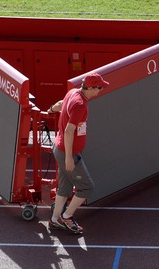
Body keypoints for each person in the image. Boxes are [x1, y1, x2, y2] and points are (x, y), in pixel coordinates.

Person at [47, 72, 109, 234]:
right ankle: (67, 217)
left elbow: (61, 104)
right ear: (90, 87)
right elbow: (69, 131)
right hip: (68, 153)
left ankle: (54, 220)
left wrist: (51, 109)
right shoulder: (81, 104)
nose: (101, 90)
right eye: (99, 87)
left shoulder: (73, 92)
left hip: (59, 148)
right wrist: (69, 157)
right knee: (86, 188)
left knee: (65, 188)